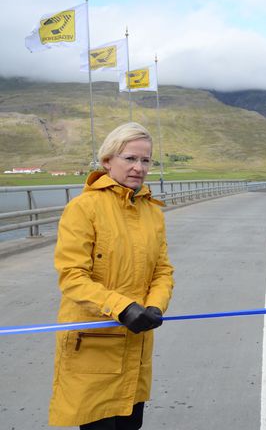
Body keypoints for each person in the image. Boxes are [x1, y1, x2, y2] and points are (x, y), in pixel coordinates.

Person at [48, 122, 175, 429]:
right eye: (130, 158)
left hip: (136, 345)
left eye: (145, 160)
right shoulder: (83, 208)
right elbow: (72, 277)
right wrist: (124, 308)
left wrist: (155, 306)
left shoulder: (152, 212)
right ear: (107, 161)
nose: (139, 168)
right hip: (94, 347)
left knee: (131, 425)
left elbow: (162, 270)